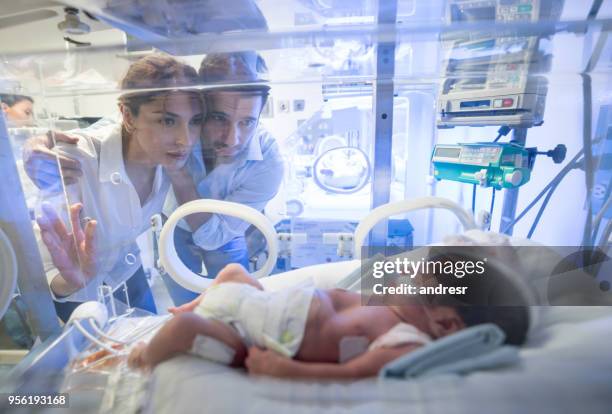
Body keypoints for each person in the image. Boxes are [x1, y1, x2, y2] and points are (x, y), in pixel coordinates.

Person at [128, 262, 529, 379]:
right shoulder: (392, 305)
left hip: (250, 336)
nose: (408, 278)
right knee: (233, 271)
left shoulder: (404, 338)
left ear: (446, 324)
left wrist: (283, 369)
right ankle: (196, 304)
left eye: (423, 284)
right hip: (259, 304)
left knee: (186, 330)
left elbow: (354, 372)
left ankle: (145, 357)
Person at [30, 54, 204, 321]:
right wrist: (73, 282)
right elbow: (42, 269)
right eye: (167, 121)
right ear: (127, 115)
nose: (185, 139)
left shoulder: (169, 160)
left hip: (126, 272)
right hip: (73, 292)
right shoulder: (76, 160)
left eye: (194, 121)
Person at [161, 51, 284, 305]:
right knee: (184, 306)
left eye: (247, 122)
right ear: (200, 105)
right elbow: (124, 129)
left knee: (235, 306)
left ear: (261, 113)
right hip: (175, 222)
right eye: (219, 118)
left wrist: (179, 174)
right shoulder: (175, 126)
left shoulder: (268, 163)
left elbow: (212, 236)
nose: (232, 139)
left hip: (225, 233)